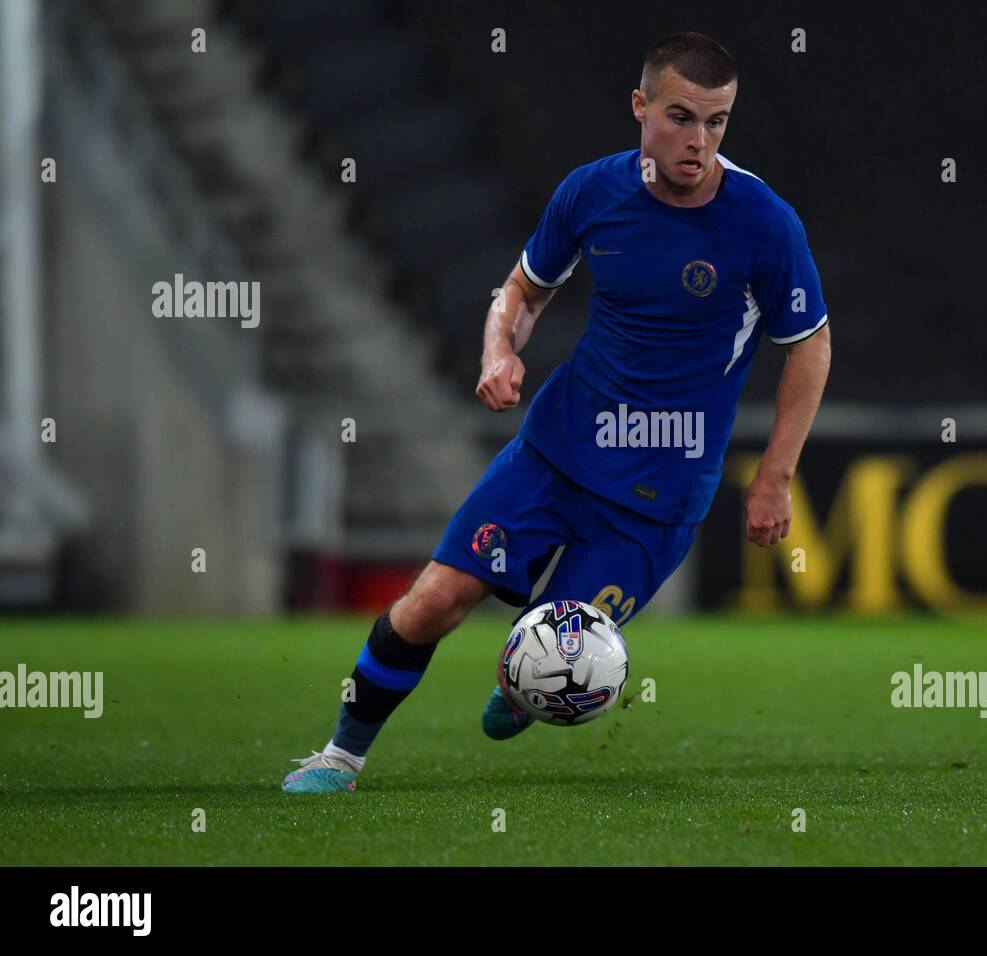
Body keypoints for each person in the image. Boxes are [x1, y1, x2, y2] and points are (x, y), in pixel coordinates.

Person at [283, 31, 832, 792]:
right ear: (640, 107)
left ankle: (519, 685)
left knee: (557, 658)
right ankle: (339, 757)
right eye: (680, 117)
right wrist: (498, 353)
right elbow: (521, 292)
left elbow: (809, 344)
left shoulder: (764, 222)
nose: (698, 142)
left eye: (717, 123)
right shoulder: (590, 193)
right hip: (556, 454)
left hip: (655, 501)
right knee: (434, 601)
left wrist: (776, 475)